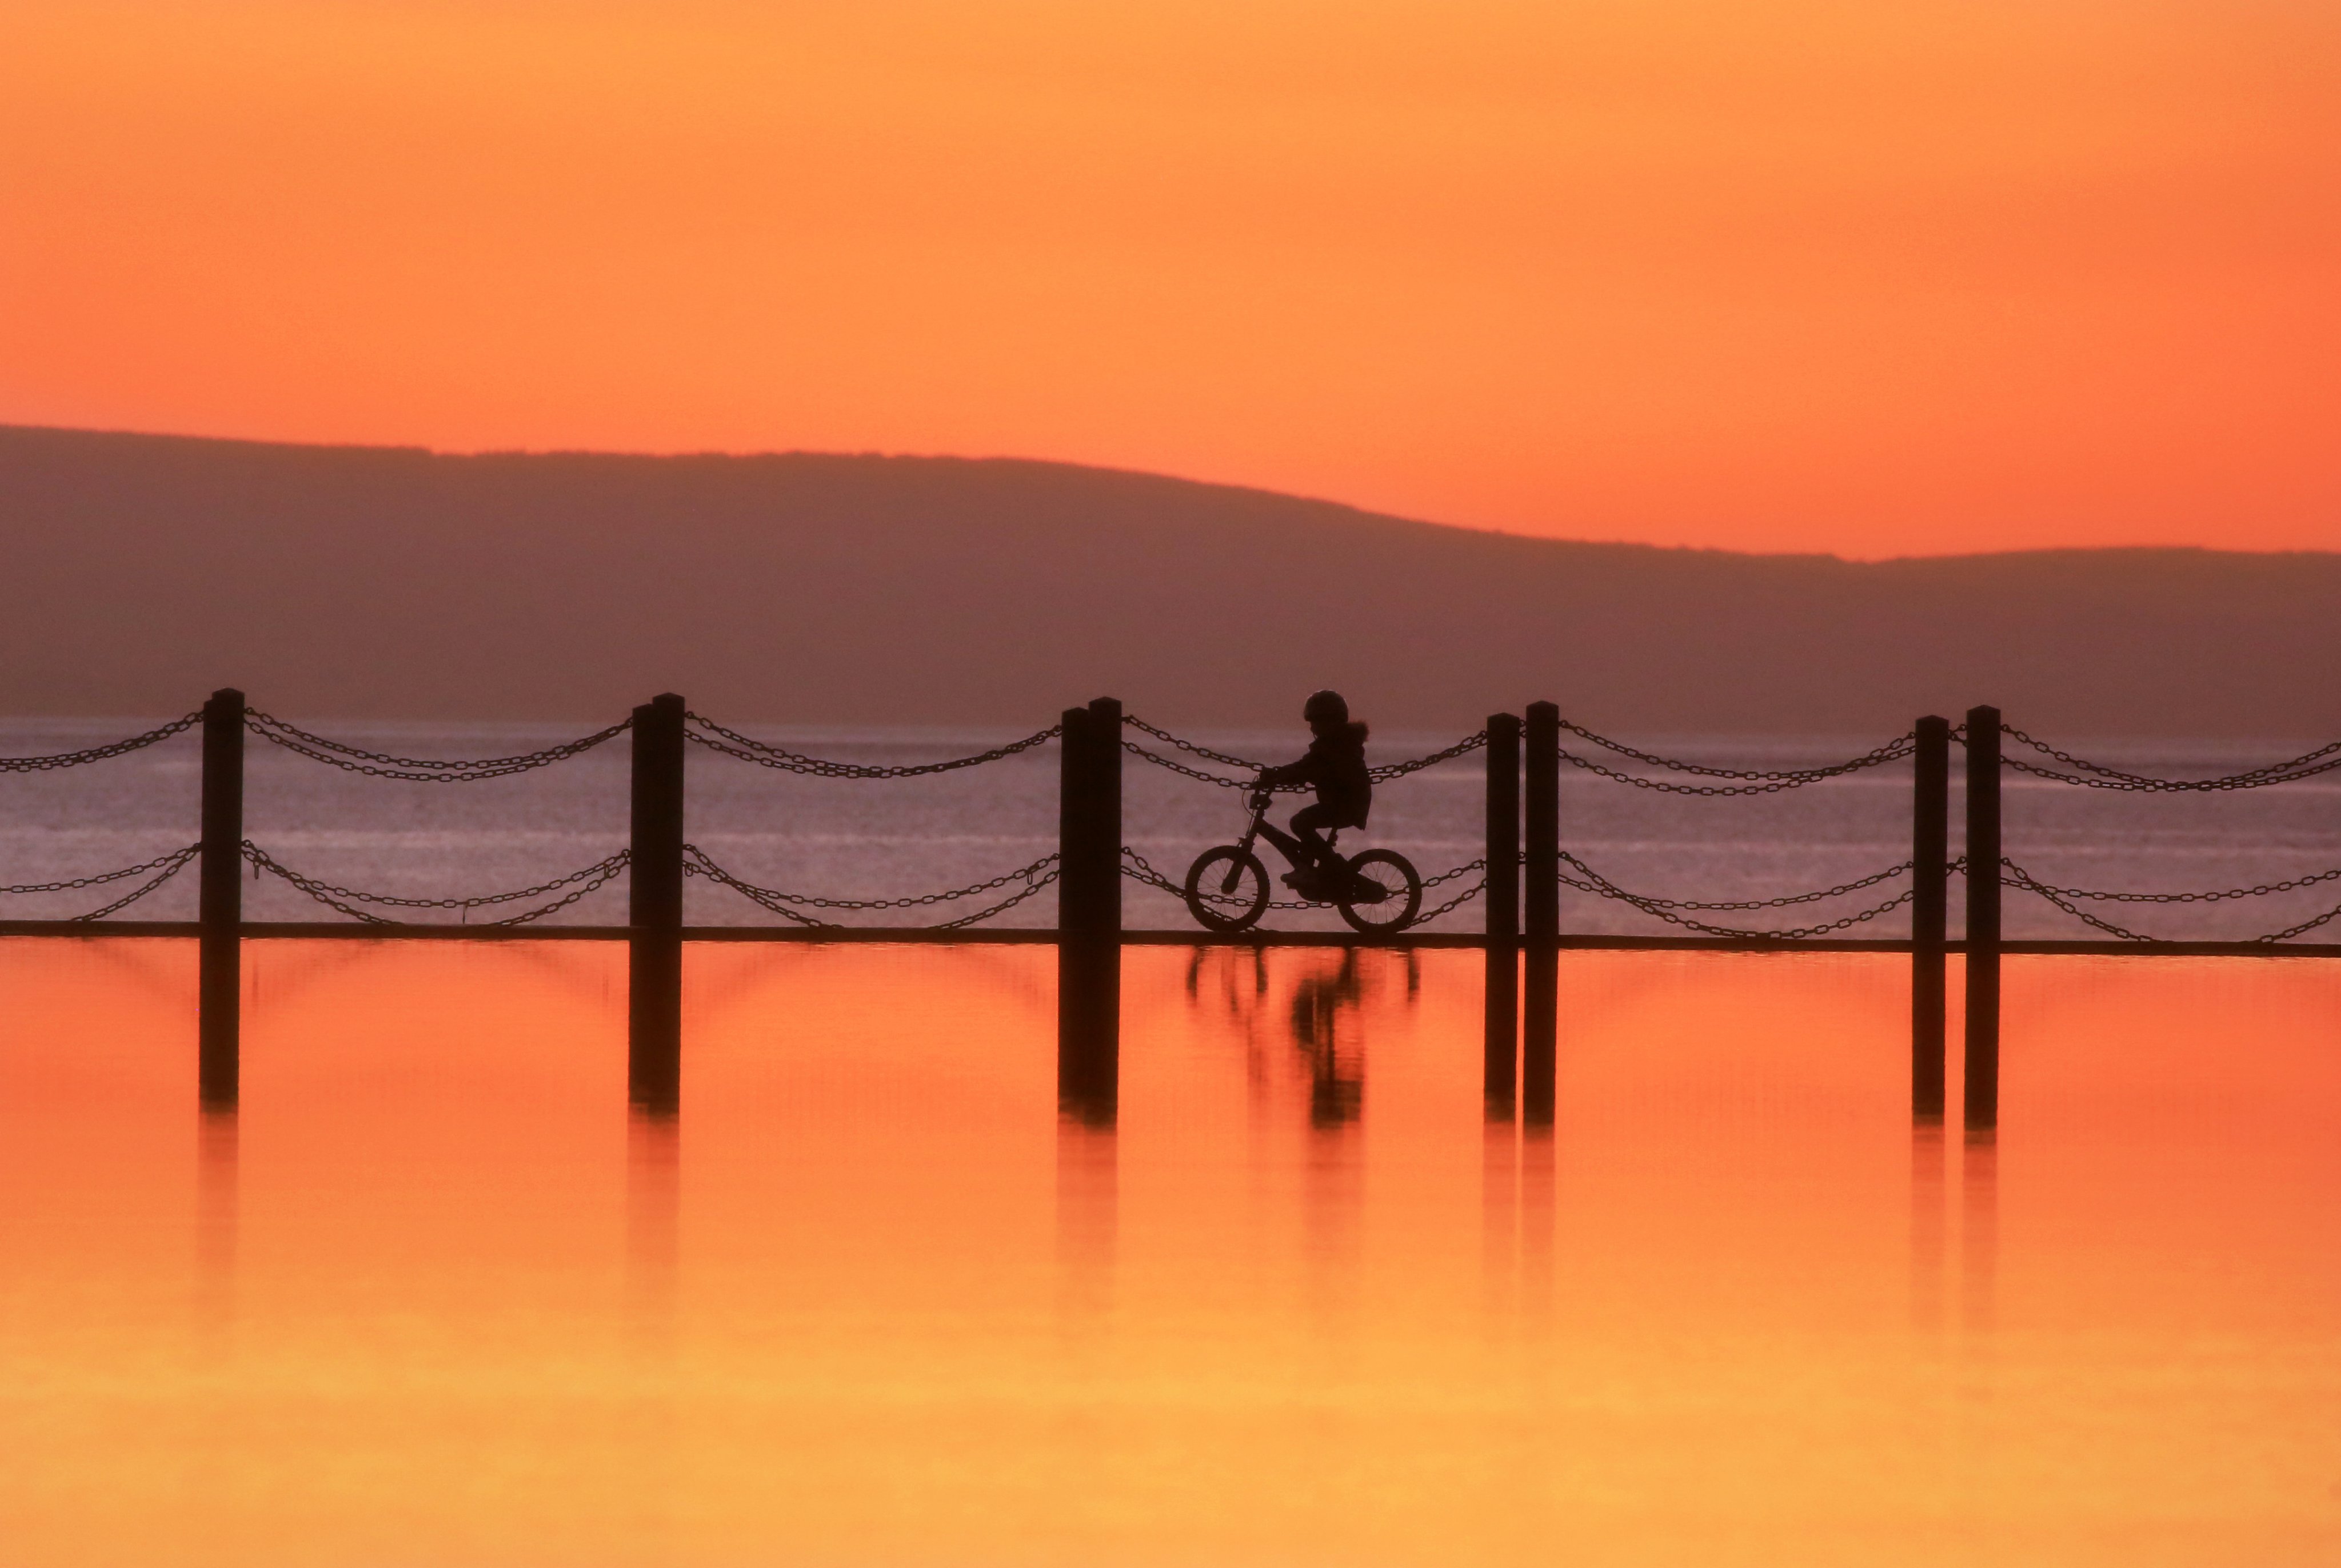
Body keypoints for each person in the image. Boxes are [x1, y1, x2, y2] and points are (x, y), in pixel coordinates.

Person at [1257, 690, 1372, 898]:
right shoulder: (1338, 744)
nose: (1312, 728)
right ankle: (1317, 866)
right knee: (1303, 824)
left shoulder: (1333, 747)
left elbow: (1305, 769)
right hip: (1343, 803)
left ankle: (1310, 871)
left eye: (1316, 722)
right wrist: (1278, 775)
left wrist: (1275, 776)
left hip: (1345, 805)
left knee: (1300, 823)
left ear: (1331, 721)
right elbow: (1305, 768)